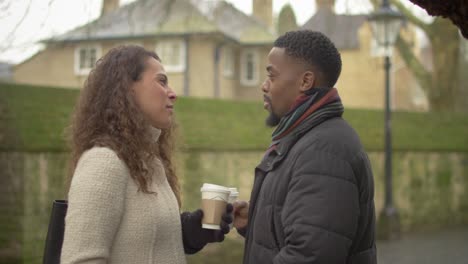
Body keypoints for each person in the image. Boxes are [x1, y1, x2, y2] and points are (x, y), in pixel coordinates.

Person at [61, 45, 232, 264]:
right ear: (127, 89)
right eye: (161, 81)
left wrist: (195, 230)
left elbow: (145, 241)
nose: (173, 93)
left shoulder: (151, 161)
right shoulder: (103, 162)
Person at [233, 30, 377, 264]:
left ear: (305, 81)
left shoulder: (326, 150)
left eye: (272, 75)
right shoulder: (303, 139)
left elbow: (310, 256)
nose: (264, 85)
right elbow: (312, 232)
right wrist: (256, 220)